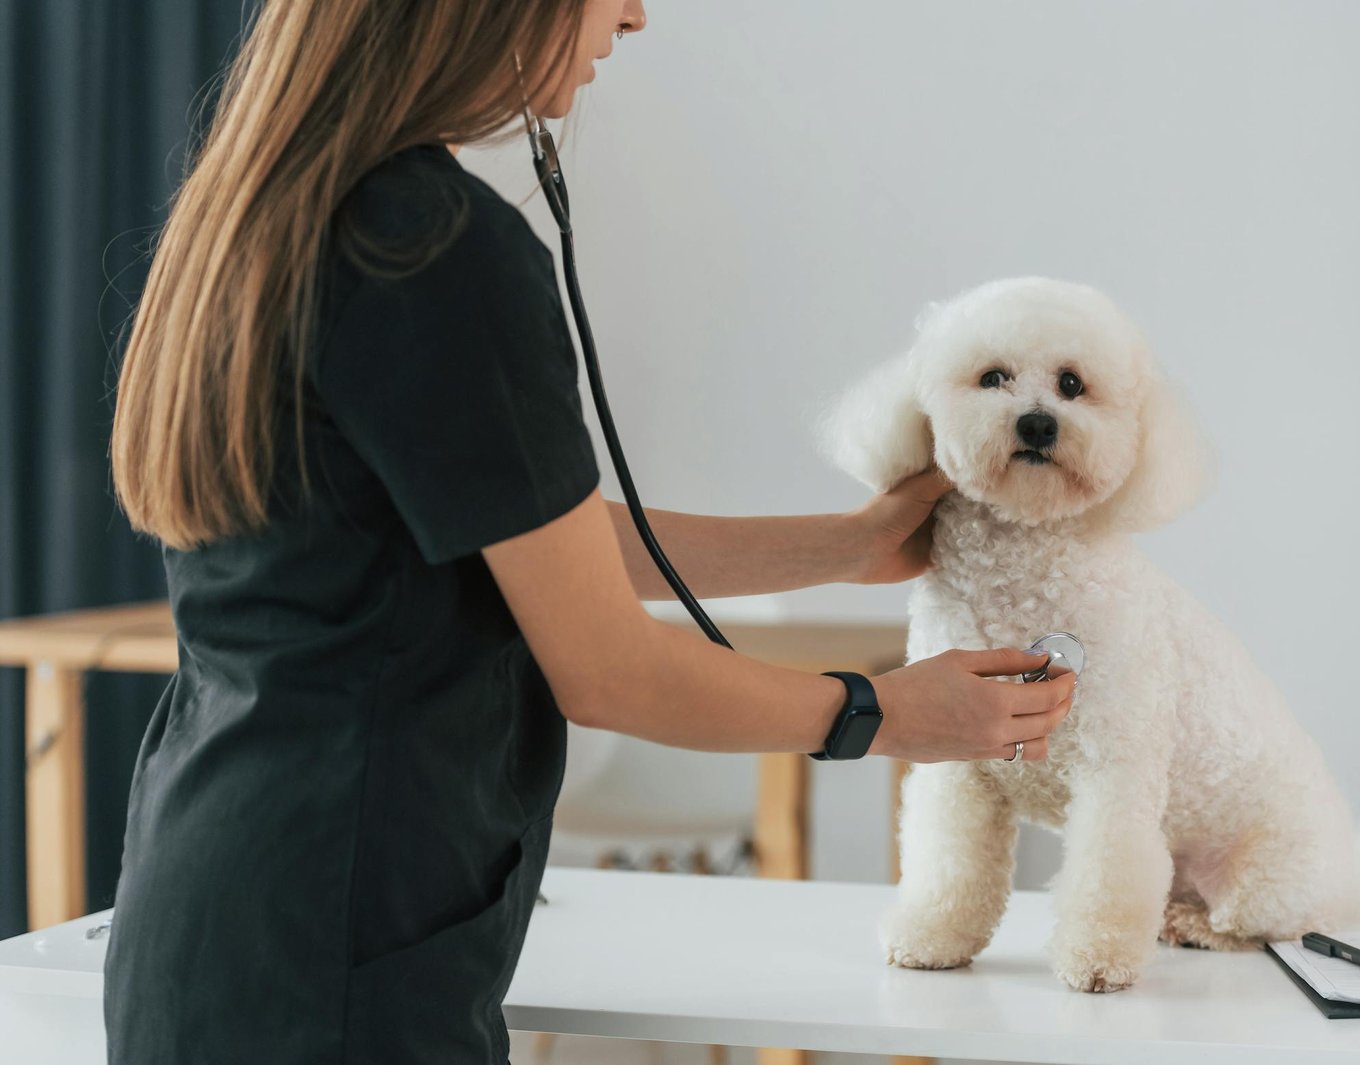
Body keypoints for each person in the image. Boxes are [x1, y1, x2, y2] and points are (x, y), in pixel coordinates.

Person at [103, 1, 1078, 1062]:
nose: (633, 13)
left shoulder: (273, 214)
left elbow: (509, 533)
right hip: (338, 943)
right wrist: (882, 715)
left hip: (218, 913)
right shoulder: (436, 248)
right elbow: (608, 670)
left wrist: (844, 547)